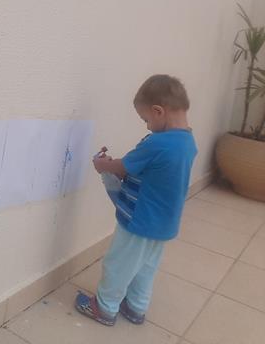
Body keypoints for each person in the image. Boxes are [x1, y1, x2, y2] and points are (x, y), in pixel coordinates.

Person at [75, 74, 197, 326]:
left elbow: (123, 168)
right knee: (145, 268)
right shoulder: (188, 141)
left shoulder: (158, 142)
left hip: (139, 220)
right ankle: (135, 307)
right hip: (164, 223)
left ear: (158, 111)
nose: (147, 126)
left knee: (118, 264)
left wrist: (103, 165)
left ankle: (104, 308)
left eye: (146, 119)